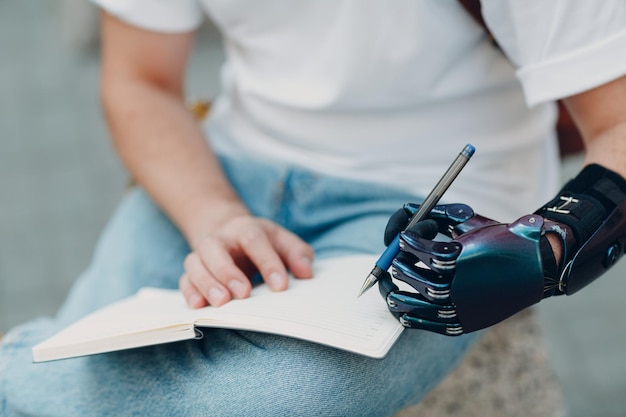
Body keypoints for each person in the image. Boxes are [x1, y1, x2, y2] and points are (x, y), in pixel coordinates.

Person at [2, 1, 626, 416]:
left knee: (283, 402)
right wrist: (215, 215)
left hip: (425, 211)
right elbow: (139, 80)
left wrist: (548, 246)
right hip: (222, 170)